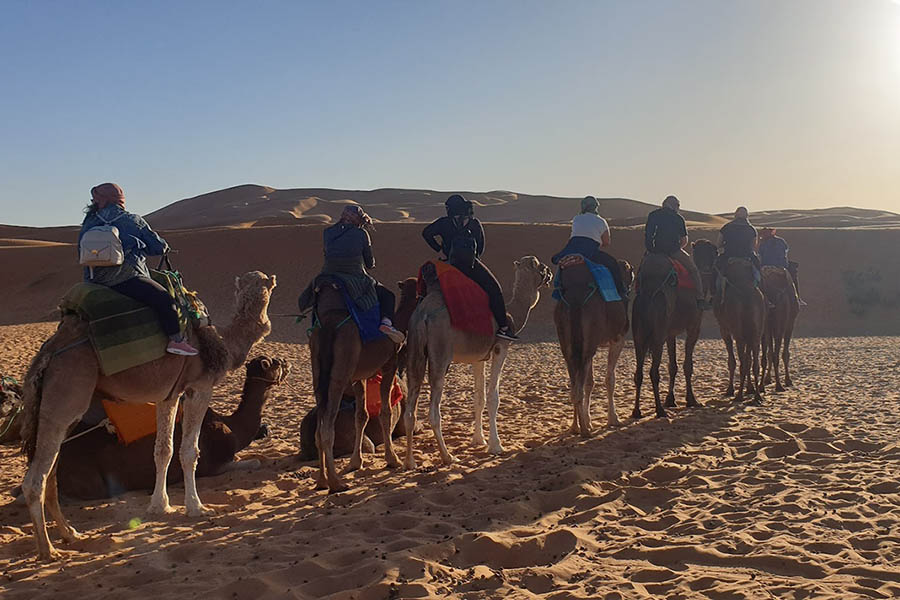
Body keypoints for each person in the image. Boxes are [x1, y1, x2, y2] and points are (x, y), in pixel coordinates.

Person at [78, 183, 198, 356]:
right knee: (165, 299)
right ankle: (176, 341)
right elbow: (156, 247)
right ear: (120, 200)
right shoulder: (132, 220)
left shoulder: (90, 221)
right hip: (126, 279)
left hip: (93, 280)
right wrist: (163, 247)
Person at [303, 205, 404, 343]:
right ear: (358, 220)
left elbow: (327, 253)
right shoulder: (361, 234)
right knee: (388, 296)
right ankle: (386, 324)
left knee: (317, 299)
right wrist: (370, 263)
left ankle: (315, 329)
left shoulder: (328, 232)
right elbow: (369, 263)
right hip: (354, 276)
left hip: (327, 275)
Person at [422, 194, 517, 341]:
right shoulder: (474, 223)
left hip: (448, 265)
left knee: (424, 287)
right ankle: (503, 328)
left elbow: (426, 233)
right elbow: (481, 248)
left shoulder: (444, 223)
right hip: (470, 265)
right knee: (494, 289)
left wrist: (439, 249)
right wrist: (472, 259)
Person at [551, 196, 628, 300]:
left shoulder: (576, 218)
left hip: (571, 248)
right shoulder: (601, 221)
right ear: (595, 207)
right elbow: (606, 242)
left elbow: (574, 235)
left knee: (562, 262)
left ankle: (558, 288)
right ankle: (621, 293)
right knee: (612, 264)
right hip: (590, 251)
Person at [643, 195, 709, 309]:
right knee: (693, 270)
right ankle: (700, 299)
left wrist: (651, 250)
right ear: (671, 205)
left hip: (655, 252)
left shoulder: (653, 215)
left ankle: (638, 292)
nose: (678, 208)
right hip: (673, 251)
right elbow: (684, 240)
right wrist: (678, 248)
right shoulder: (678, 218)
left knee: (642, 270)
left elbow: (648, 235)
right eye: (677, 205)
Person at [758, 227, 807, 306]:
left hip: (766, 267)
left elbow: (760, 256)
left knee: (756, 278)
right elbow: (785, 253)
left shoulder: (763, 244)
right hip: (782, 266)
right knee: (793, 275)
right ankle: (797, 298)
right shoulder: (781, 241)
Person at [717, 206, 761, 287]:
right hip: (747, 256)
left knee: (715, 272)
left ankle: (713, 294)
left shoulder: (726, 227)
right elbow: (754, 246)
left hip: (728, 256)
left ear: (736, 214)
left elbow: (719, 243)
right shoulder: (751, 229)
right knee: (758, 272)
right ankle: (760, 290)